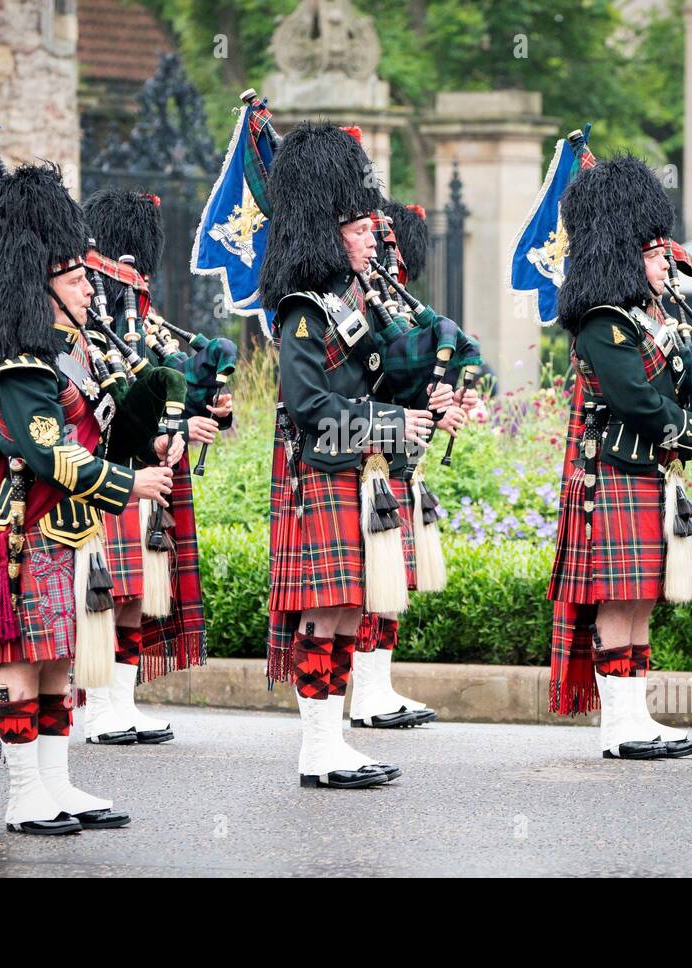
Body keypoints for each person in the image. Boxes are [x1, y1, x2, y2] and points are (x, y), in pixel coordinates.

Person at [0, 163, 174, 834]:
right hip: (31, 531)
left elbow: (102, 428)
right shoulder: (23, 363)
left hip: (71, 533)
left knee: (57, 661)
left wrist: (153, 432)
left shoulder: (71, 354)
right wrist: (126, 484)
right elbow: (51, 454)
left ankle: (57, 784)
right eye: (77, 278)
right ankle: (25, 797)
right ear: (44, 285)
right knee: (25, 659)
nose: (89, 288)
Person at [260, 123, 441, 788]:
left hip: (356, 474)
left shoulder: (351, 305)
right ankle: (317, 748)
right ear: (329, 231)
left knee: (346, 612)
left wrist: (432, 396)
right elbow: (309, 410)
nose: (374, 237)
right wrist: (394, 422)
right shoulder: (305, 311)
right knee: (324, 612)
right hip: (323, 472)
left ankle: (331, 742)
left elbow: (382, 381)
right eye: (360, 229)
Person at [546, 155, 692, 760]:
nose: (666, 264)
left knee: (640, 597)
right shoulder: (604, 322)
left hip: (646, 474)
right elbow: (635, 400)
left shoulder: (646, 317)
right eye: (657, 255)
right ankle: (618, 727)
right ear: (625, 254)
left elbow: (673, 386)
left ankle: (638, 715)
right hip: (612, 472)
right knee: (618, 598)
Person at [79, 187, 224, 744]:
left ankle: (123, 701)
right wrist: (174, 427)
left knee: (138, 589)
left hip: (155, 469)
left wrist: (209, 404)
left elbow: (171, 383)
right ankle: (96, 709)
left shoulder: (147, 324)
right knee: (106, 589)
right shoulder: (92, 327)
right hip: (113, 465)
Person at [349, 199, 475, 728]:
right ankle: (365, 694)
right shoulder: (348, 308)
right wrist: (424, 406)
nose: (385, 260)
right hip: (366, 456)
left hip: (398, 460)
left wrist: (451, 398)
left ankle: (379, 686)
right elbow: (369, 384)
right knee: (367, 586)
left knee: (391, 582)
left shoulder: (395, 306)